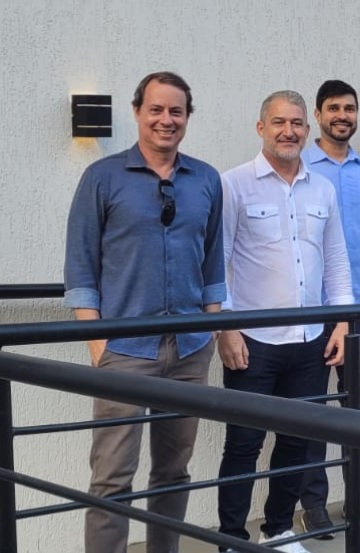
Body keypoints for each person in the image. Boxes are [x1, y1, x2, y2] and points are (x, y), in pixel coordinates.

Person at [64, 71, 225, 553]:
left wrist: (211, 330)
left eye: (176, 111)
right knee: (112, 476)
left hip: (190, 350)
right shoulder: (102, 177)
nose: (165, 120)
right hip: (125, 350)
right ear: (137, 112)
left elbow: (213, 260)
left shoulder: (206, 179)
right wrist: (98, 344)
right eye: (156, 109)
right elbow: (80, 265)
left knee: (174, 472)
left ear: (188, 117)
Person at [216, 90, 353, 553]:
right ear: (261, 128)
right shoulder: (234, 184)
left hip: (311, 340)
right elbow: (217, 263)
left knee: (297, 442)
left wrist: (341, 323)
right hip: (252, 341)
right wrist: (226, 327)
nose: (288, 131)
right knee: (243, 444)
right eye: (279, 122)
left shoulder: (323, 189)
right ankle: (231, 539)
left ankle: (279, 531)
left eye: (296, 123)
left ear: (307, 130)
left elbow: (337, 260)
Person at [299, 80, 360, 536]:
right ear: (318, 115)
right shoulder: (301, 166)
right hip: (311, 312)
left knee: (359, 411)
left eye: (349, 108)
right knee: (313, 412)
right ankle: (313, 504)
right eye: (333, 108)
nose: (342, 115)